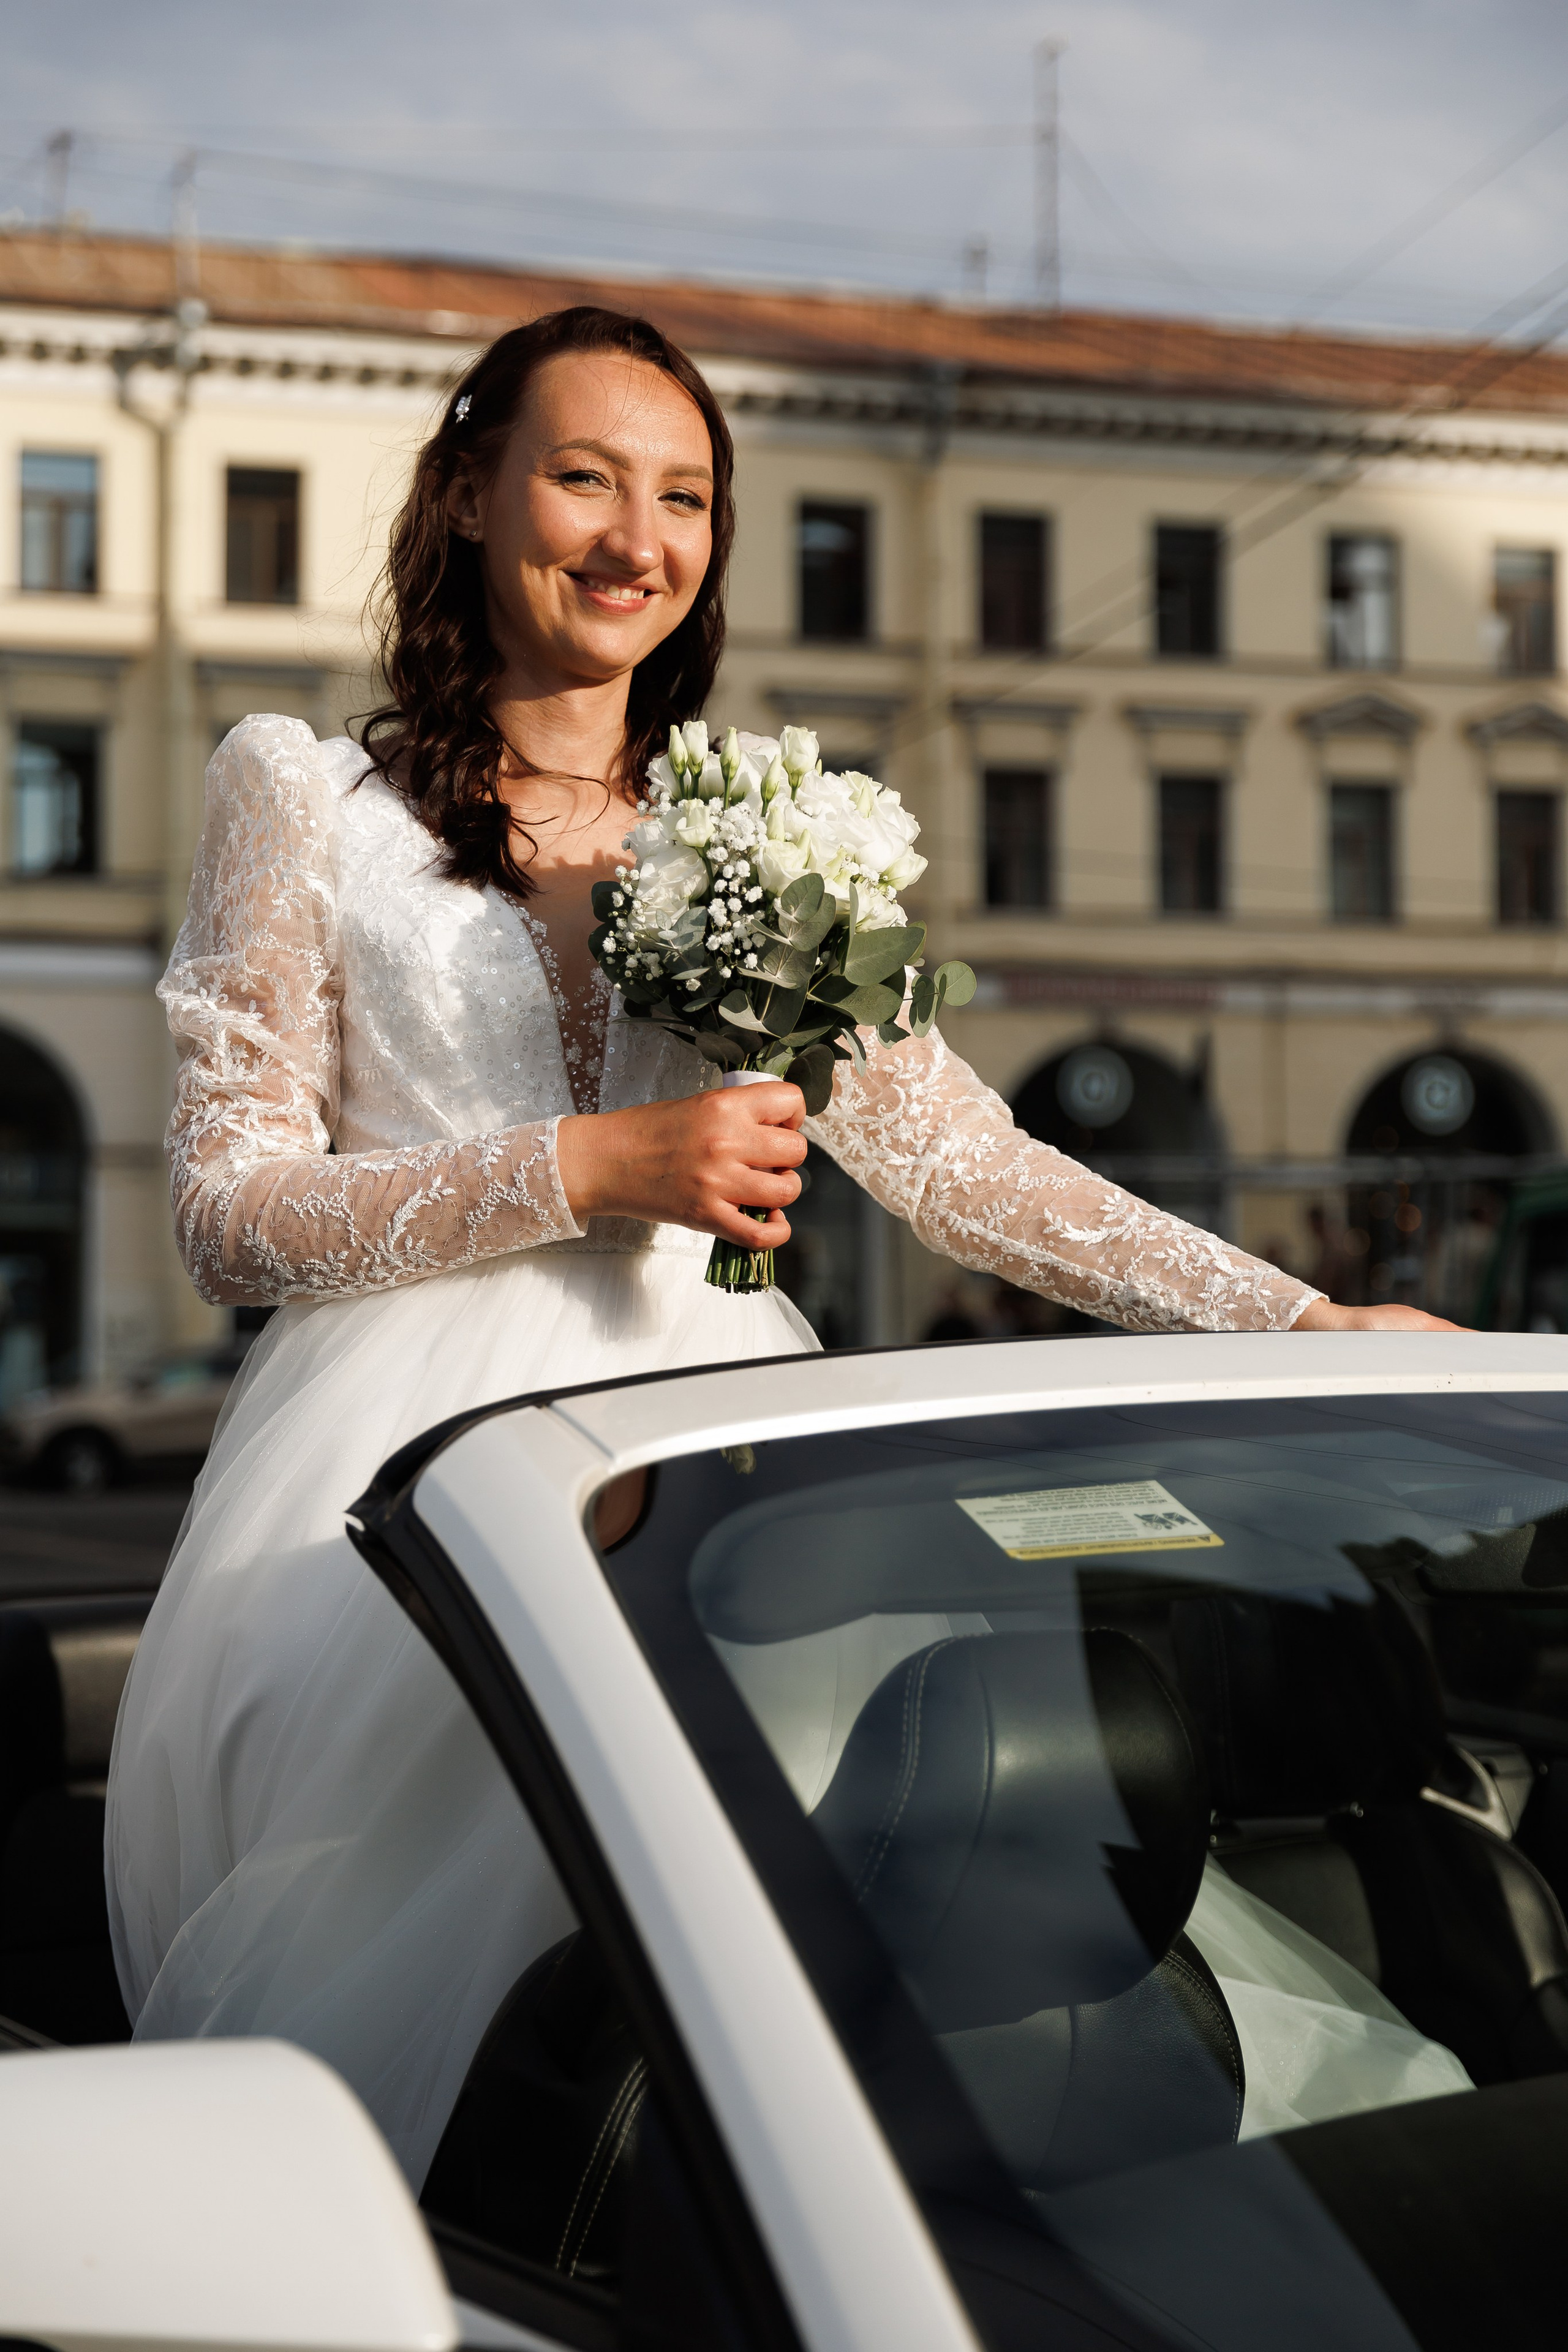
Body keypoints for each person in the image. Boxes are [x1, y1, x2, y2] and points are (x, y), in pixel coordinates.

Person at [105, 306, 1455, 2186]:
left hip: (719, 1463)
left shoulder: (766, 825)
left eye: (685, 497)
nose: (634, 537)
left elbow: (969, 1166)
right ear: (477, 492)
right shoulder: (301, 794)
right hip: (403, 1494)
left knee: (870, 1946)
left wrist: (1299, 1314)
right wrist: (596, 1161)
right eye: (583, 478)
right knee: (515, 1957)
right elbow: (227, 1215)